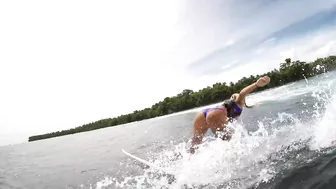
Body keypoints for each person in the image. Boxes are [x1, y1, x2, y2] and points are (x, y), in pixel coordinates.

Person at [189, 76, 271, 153]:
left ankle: (188, 160)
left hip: (203, 114)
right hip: (215, 114)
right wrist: (256, 84)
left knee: (196, 142)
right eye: (233, 96)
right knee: (227, 142)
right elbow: (242, 93)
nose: (233, 96)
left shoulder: (235, 105)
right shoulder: (239, 102)